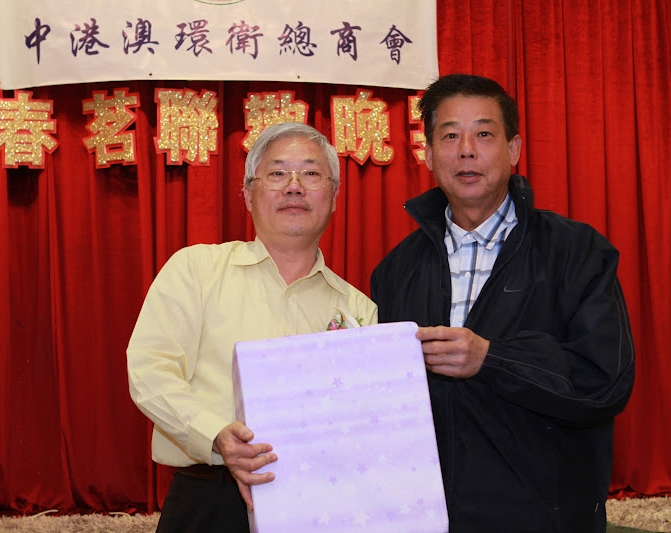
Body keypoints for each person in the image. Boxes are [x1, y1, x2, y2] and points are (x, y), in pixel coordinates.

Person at [370, 74, 635, 533]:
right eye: (449, 136)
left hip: (546, 517)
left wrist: (492, 359)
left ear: (513, 149)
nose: (466, 151)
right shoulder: (395, 270)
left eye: (484, 134)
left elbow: (604, 382)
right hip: (430, 516)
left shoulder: (576, 251)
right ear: (428, 154)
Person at [127, 122, 378, 533]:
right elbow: (149, 369)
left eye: (311, 173)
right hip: (209, 498)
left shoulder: (359, 310)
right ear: (247, 194)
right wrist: (216, 435)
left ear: (334, 196)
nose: (294, 187)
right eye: (277, 173)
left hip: (319, 499)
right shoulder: (197, 270)